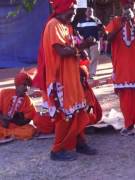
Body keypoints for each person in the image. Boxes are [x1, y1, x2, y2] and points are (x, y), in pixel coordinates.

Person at [33, 0, 97, 161]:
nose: (75, 12)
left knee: (79, 110)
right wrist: (82, 47)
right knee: (64, 115)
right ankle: (58, 149)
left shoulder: (67, 26)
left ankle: (78, 141)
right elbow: (61, 51)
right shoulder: (53, 25)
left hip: (72, 77)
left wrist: (81, 52)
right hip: (60, 80)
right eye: (73, 9)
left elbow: (72, 47)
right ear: (63, 8)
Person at [105, 0, 135, 137]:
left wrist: (133, 24)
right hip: (122, 66)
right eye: (126, 5)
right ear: (122, 6)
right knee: (126, 97)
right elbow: (108, 39)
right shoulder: (115, 21)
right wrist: (121, 25)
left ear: (134, 6)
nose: (128, 7)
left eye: (131, 5)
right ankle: (129, 124)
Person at [0, 72, 36, 141]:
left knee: (30, 130)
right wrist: (2, 119)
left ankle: (5, 133)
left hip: (15, 127)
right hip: (1, 123)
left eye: (29, 86)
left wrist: (12, 120)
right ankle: (7, 134)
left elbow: (26, 120)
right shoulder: (4, 93)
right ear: (17, 85)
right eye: (24, 85)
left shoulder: (28, 100)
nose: (27, 88)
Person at [76, 7, 104, 79]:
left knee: (94, 58)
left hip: (94, 42)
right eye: (88, 11)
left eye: (91, 11)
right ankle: (86, 73)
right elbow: (77, 32)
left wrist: (99, 39)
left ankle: (92, 74)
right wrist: (81, 39)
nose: (90, 12)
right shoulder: (81, 21)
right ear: (85, 13)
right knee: (86, 58)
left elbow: (102, 30)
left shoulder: (96, 20)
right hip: (84, 42)